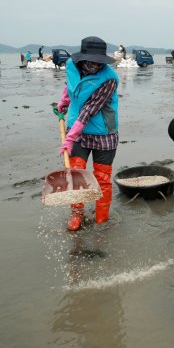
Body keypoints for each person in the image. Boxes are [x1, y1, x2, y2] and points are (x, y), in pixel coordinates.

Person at [56, 36, 119, 231]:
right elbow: (70, 85)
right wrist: (64, 102)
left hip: (103, 133)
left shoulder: (109, 78)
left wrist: (69, 138)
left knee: (102, 178)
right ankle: (77, 214)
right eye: (92, 61)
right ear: (82, 58)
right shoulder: (70, 65)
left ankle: (101, 218)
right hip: (77, 131)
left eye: (100, 62)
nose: (96, 66)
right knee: (76, 175)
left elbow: (89, 110)